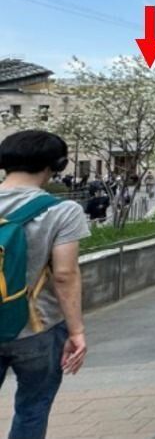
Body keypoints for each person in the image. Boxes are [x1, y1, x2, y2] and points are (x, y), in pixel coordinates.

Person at [0, 130, 89, 439]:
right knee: (33, 407)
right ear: (58, 165)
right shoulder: (62, 211)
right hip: (38, 327)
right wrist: (76, 332)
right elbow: (65, 275)